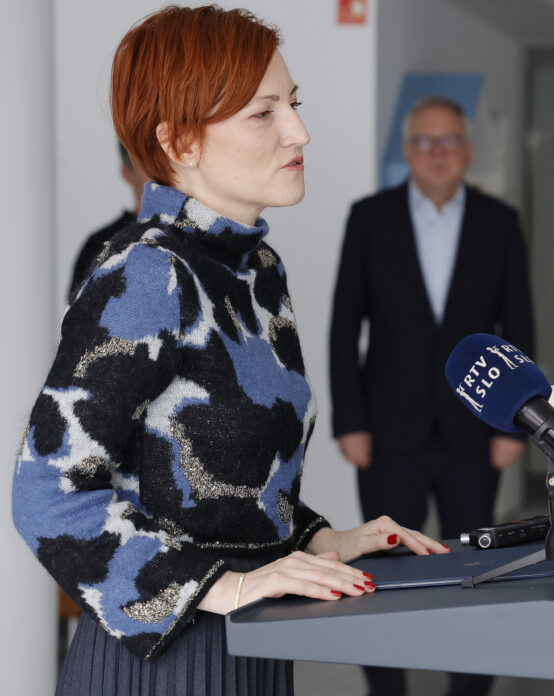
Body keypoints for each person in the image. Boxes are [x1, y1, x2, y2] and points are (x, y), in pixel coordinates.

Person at [12, 7, 446, 695]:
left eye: (294, 105)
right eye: (263, 113)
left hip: (255, 638)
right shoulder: (146, 273)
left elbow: (223, 484)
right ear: (178, 140)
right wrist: (228, 587)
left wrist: (320, 540)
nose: (299, 132)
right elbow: (47, 493)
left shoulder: (256, 269)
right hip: (162, 662)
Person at [329, 95, 535, 696]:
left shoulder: (499, 222)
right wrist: (349, 420)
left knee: (478, 570)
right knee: (380, 572)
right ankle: (386, 689)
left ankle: (468, 690)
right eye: (424, 140)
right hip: (387, 433)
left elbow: (519, 327)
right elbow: (345, 326)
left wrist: (515, 423)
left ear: (467, 151)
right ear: (407, 150)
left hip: (476, 430)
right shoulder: (370, 217)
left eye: (448, 141)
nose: (436, 152)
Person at [67, 143, 148, 302]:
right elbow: (80, 313)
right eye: (147, 166)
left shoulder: (191, 233)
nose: (160, 174)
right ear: (126, 173)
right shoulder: (99, 245)